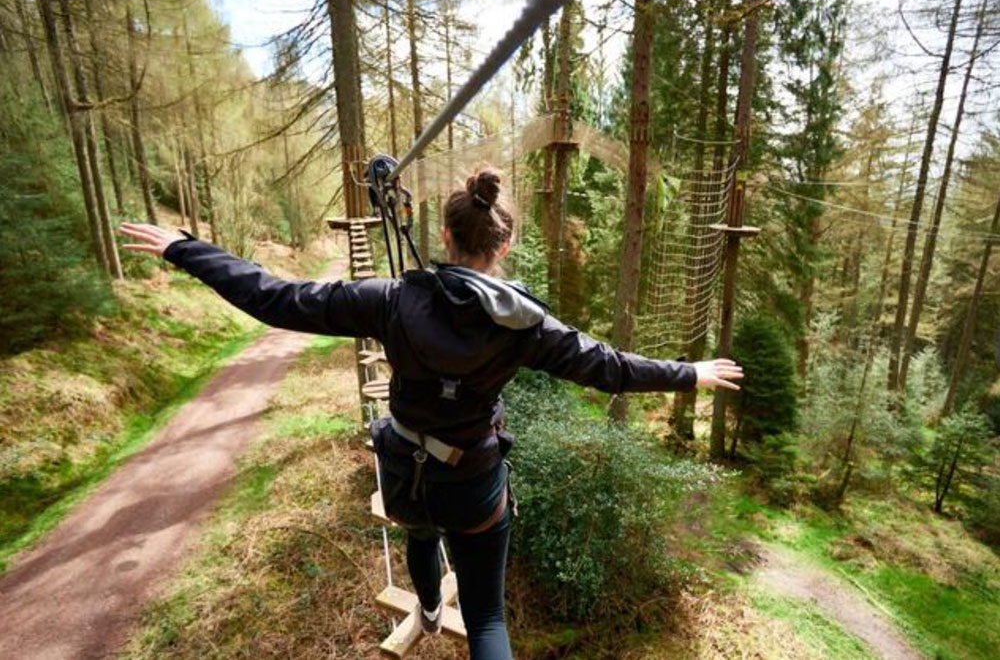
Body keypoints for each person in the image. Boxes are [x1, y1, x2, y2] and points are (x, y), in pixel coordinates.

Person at [119, 167, 742, 660]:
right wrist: (691, 373)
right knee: (490, 617)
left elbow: (278, 298)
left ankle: (428, 608)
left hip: (405, 467)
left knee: (419, 530)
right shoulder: (527, 327)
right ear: (507, 243)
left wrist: (186, 249)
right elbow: (610, 367)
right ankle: (446, 611)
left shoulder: (390, 300)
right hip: (474, 479)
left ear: (444, 236)